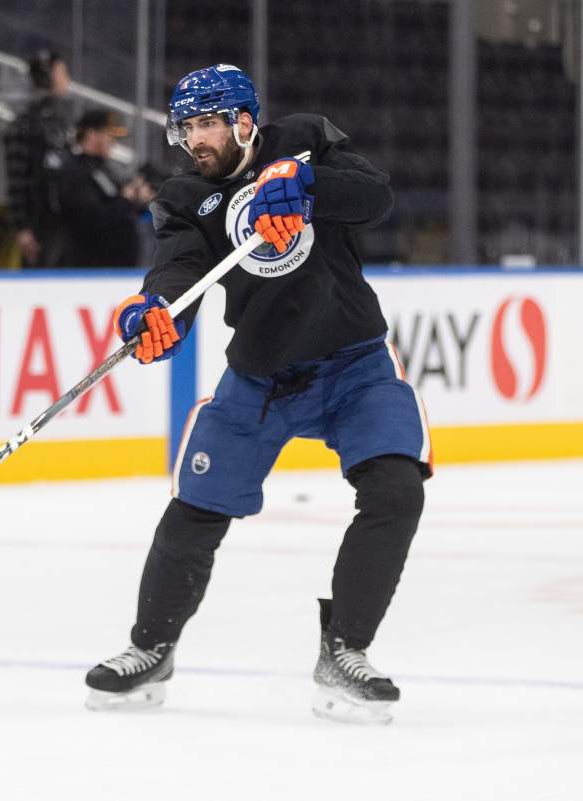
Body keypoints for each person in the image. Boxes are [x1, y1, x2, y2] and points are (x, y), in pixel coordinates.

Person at [85, 64, 432, 725]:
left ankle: (345, 649)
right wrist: (153, 311)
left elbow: (374, 196)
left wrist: (307, 184)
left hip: (355, 363)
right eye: (187, 128)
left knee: (396, 488)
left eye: (208, 124)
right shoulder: (186, 194)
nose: (197, 140)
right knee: (196, 508)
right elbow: (178, 270)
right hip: (261, 378)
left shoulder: (303, 139)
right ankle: (150, 646)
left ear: (245, 118)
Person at [56, 109, 154, 268]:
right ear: (92, 134)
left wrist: (137, 199)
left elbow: (117, 205)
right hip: (92, 267)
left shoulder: (104, 168)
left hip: (116, 265)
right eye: (109, 135)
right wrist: (126, 199)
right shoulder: (74, 171)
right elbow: (91, 219)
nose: (113, 142)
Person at [3, 49, 72, 267]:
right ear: (48, 76)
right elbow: (17, 178)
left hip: (61, 218)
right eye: (62, 72)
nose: (66, 79)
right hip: (39, 221)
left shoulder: (58, 120)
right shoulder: (26, 124)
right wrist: (22, 227)